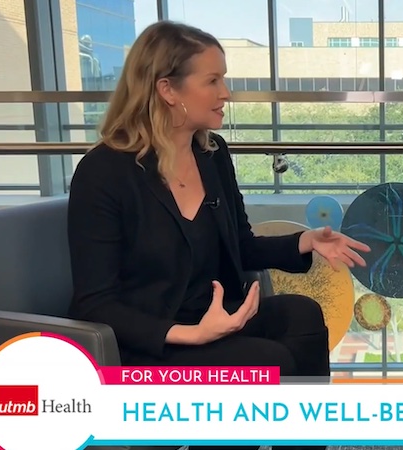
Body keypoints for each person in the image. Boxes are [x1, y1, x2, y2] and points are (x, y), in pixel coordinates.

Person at [66, 20, 370, 450]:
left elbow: (240, 244)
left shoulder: (212, 154)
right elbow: (94, 302)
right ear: (168, 89)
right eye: (213, 80)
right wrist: (188, 334)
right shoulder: (104, 173)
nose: (226, 92)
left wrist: (305, 242)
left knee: (301, 315)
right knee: (267, 362)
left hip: (215, 317)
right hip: (150, 339)